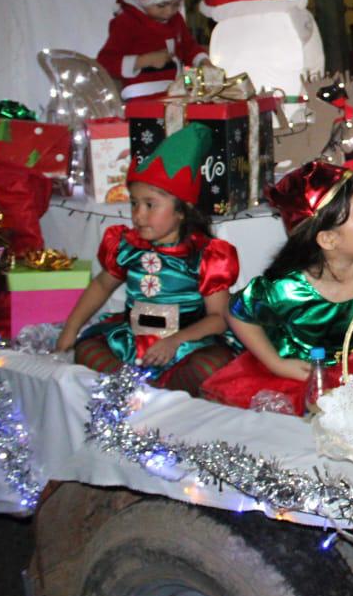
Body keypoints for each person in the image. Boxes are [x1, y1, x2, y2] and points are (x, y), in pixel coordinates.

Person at [199, 162, 353, 415]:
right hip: (312, 377)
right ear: (328, 239)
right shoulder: (286, 290)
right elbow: (237, 311)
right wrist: (276, 363)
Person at [56, 125, 238, 395]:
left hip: (186, 343)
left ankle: (155, 390)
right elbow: (101, 286)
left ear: (181, 211)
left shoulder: (206, 255)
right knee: (88, 348)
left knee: (211, 366)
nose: (138, 215)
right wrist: (71, 330)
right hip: (132, 341)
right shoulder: (129, 247)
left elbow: (218, 318)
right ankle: (133, 386)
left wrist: (176, 341)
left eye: (150, 205)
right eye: (134, 204)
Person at [96, 0, 209, 100]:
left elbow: (188, 47)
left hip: (176, 92)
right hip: (141, 97)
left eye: (176, 4)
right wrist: (144, 61)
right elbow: (106, 62)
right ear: (142, 0)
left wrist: (202, 61)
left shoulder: (176, 20)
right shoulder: (126, 22)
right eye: (161, 5)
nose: (169, 11)